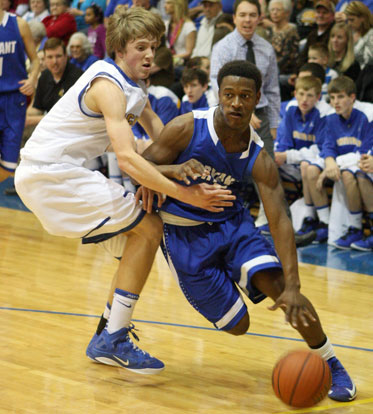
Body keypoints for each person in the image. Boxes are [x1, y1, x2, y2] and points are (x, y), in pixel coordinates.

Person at [14, 7, 234, 374]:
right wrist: (188, 194)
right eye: (141, 47)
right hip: (49, 174)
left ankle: (108, 331)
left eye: (155, 47)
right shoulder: (108, 87)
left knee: (139, 243)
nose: (150, 55)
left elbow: (159, 142)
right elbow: (129, 161)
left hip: (58, 175)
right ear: (119, 49)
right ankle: (112, 338)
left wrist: (190, 166)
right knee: (148, 228)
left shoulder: (136, 89)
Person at [141, 60, 357, 403]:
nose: (236, 103)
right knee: (238, 325)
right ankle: (232, 278)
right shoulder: (185, 127)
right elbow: (139, 166)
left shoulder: (258, 154)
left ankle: (332, 363)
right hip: (185, 236)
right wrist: (174, 169)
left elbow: (280, 220)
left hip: (232, 227)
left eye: (245, 96)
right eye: (229, 95)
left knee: (279, 287)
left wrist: (295, 286)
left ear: (258, 98)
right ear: (218, 95)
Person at [210, 0, 281, 233]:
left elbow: (271, 90)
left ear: (260, 18)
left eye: (252, 15)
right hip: (228, 116)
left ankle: (270, 221)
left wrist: (274, 125)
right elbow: (216, 87)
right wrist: (242, 112)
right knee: (228, 168)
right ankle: (222, 216)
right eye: (243, 15)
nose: (247, 20)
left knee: (268, 169)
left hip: (260, 116)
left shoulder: (266, 48)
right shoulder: (223, 47)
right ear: (234, 18)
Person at [303, 76, 373, 247]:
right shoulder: (331, 118)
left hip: (356, 163)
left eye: (340, 97)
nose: (336, 102)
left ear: (352, 97)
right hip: (343, 164)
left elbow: (363, 152)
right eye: (333, 98)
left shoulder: (367, 114)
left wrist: (333, 165)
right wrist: (329, 162)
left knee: (354, 174)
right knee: (312, 170)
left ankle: (364, 228)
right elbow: (328, 146)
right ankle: (329, 225)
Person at [275, 76, 333, 242]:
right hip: (297, 161)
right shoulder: (291, 110)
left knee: (308, 166)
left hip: (323, 159)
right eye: (301, 94)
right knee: (266, 164)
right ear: (295, 93)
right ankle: (274, 217)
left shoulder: (324, 114)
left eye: (310, 95)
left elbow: (321, 149)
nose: (304, 99)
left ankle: (322, 222)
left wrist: (288, 156)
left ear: (318, 97)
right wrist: (278, 156)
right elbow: (283, 143)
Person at [0, 8, 40, 184]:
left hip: (14, 100)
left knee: (9, 166)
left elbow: (36, 60)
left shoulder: (19, 24)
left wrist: (32, 79)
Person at [26, 37, 83, 127]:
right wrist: (22, 116)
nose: (54, 62)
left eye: (58, 56)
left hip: (71, 127)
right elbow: (37, 109)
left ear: (66, 57)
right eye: (50, 57)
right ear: (44, 58)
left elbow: (69, 116)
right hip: (50, 127)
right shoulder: (44, 76)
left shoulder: (77, 77)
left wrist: (33, 120)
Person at [266, 0, 299, 83]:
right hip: (269, 69)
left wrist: (269, 70)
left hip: (283, 73)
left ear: (287, 13)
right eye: (272, 10)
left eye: (278, 10)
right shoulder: (270, 30)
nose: (274, 13)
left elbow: (288, 59)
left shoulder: (291, 31)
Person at [297, 0, 335, 69]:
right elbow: (303, 57)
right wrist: (296, 73)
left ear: (332, 16)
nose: (320, 15)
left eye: (324, 13)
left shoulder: (334, 34)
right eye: (318, 12)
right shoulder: (312, 34)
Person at [164, 0, 197, 67]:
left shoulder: (189, 26)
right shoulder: (166, 24)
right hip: (169, 61)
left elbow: (188, 53)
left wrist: (170, 58)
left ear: (177, 5)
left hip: (182, 63)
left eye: (168, 3)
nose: (164, 6)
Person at [344, 1, 373, 69]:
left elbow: (370, 61)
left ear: (363, 17)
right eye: (348, 20)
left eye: (352, 20)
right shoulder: (352, 33)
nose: (349, 24)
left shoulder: (371, 34)